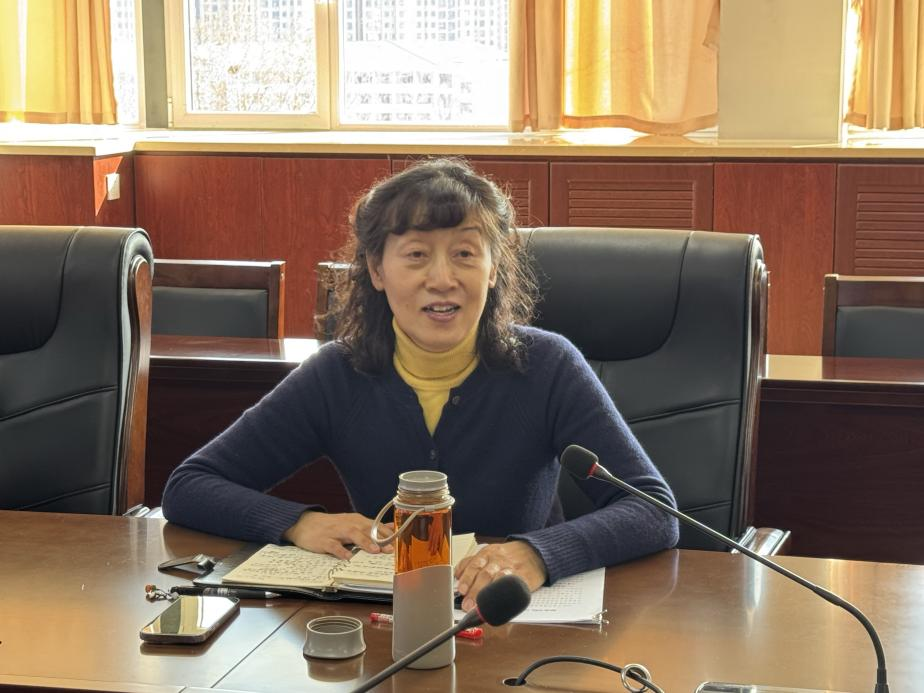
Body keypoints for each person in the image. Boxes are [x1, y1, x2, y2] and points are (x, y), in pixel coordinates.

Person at [162, 158, 678, 611]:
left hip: (514, 621)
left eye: (465, 254)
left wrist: (538, 554)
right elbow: (189, 486)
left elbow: (654, 511)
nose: (442, 278)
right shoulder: (338, 373)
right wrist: (298, 523)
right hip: (386, 626)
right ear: (376, 269)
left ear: (494, 268)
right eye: (415, 255)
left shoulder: (546, 365)